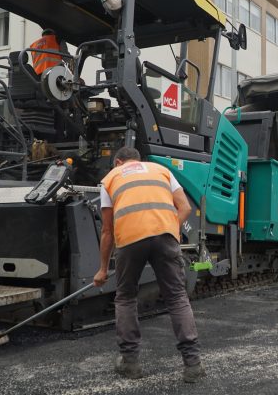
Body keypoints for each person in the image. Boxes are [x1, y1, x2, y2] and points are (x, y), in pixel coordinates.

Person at [93, 146, 205, 383]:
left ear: (118, 162)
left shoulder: (111, 178)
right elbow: (184, 208)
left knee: (125, 298)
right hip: (165, 235)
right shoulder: (161, 170)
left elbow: (107, 231)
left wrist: (103, 269)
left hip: (130, 240)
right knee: (176, 298)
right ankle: (192, 365)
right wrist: (168, 230)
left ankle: (130, 363)